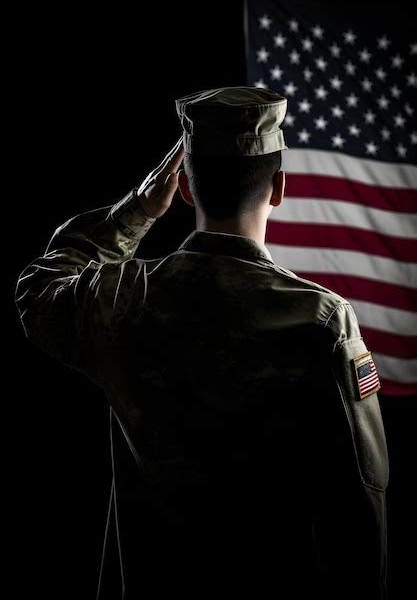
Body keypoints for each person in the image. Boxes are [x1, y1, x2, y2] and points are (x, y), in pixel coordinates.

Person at [15, 86, 389, 599]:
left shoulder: (122, 297)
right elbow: (360, 500)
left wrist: (138, 209)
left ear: (185, 189)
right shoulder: (318, 319)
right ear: (279, 187)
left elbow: (38, 289)